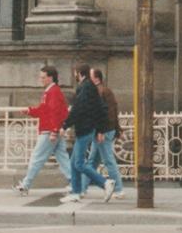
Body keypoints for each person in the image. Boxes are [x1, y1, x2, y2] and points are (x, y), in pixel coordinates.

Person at [60, 62, 114, 204]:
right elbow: (100, 109)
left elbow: (78, 109)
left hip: (85, 129)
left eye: (75, 72)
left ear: (79, 73)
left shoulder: (85, 88)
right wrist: (101, 129)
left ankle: (104, 183)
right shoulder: (89, 87)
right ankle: (76, 192)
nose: (74, 75)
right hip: (88, 128)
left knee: (79, 163)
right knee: (73, 163)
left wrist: (65, 125)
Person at [15, 65, 72, 196]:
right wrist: (30, 111)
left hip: (49, 131)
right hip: (53, 130)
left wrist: (53, 130)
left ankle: (25, 185)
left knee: (37, 157)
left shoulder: (52, 92)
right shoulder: (53, 91)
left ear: (50, 78)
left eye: (43, 77)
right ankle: (75, 183)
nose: (41, 79)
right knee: (63, 159)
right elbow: (49, 111)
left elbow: (53, 112)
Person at [86, 66, 123, 195]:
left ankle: (118, 189)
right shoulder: (102, 91)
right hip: (103, 130)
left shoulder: (100, 92)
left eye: (89, 76)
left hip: (103, 131)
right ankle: (81, 188)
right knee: (92, 161)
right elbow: (113, 111)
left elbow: (108, 113)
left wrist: (101, 131)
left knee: (108, 160)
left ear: (96, 79)